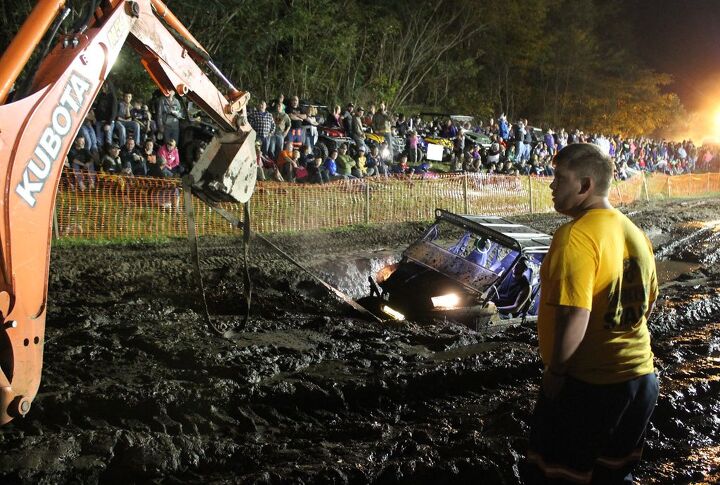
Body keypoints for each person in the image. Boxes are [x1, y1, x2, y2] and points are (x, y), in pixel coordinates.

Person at [522, 143, 659, 484]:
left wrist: (556, 373)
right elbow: (648, 303)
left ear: (584, 186)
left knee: (557, 474)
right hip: (641, 380)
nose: (551, 186)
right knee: (613, 476)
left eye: (559, 178)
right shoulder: (635, 233)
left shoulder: (576, 237)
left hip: (592, 387)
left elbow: (574, 315)